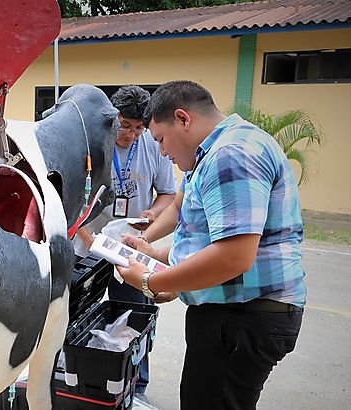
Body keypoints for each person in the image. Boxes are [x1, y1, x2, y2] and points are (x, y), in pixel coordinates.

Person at [116, 80, 305, 409]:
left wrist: (151, 280)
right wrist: (150, 248)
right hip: (233, 314)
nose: (161, 151)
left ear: (183, 119)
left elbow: (233, 256)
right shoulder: (209, 153)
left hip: (243, 316)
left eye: (161, 139)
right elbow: (180, 208)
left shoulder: (230, 154)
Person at [75, 85, 176, 396]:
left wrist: (153, 213)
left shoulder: (152, 146)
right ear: (112, 118)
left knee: (135, 312)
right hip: (88, 246)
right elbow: (70, 197)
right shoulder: (90, 143)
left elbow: (169, 194)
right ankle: (76, 377)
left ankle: (136, 383)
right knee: (77, 314)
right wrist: (84, 234)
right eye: (125, 126)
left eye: (138, 128)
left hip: (130, 246)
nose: (131, 135)